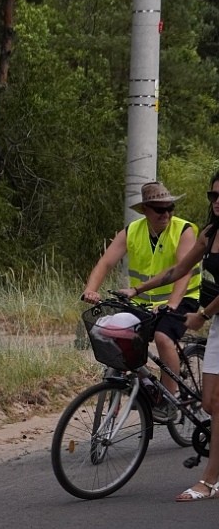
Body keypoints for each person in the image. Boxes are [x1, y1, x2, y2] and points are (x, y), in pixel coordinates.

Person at [121, 170, 219, 501]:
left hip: (208, 314)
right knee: (210, 403)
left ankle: (208, 481)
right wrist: (138, 288)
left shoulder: (191, 231)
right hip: (217, 323)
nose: (217, 202)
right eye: (213, 196)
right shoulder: (209, 233)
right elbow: (177, 270)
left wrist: (201, 314)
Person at [82, 180, 199, 421]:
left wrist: (173, 303)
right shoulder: (131, 231)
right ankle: (141, 386)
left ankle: (169, 401)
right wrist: (91, 290)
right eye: (159, 209)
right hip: (144, 303)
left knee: (163, 337)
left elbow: (183, 271)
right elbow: (105, 263)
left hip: (183, 299)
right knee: (116, 335)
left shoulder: (185, 230)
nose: (166, 214)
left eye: (169, 208)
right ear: (145, 210)